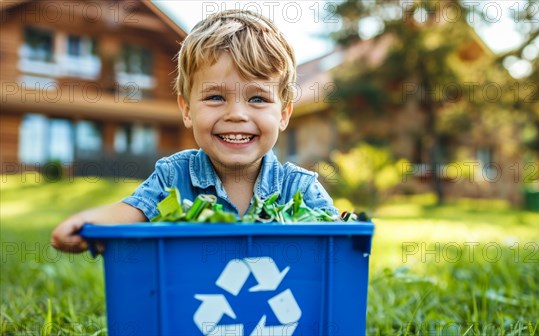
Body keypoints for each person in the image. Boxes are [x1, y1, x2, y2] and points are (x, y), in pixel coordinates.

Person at [51, 9, 338, 253]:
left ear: (284, 114)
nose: (236, 114)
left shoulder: (298, 188)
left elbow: (339, 239)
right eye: (215, 97)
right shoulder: (174, 177)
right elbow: (132, 211)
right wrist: (88, 222)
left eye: (257, 99)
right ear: (187, 109)